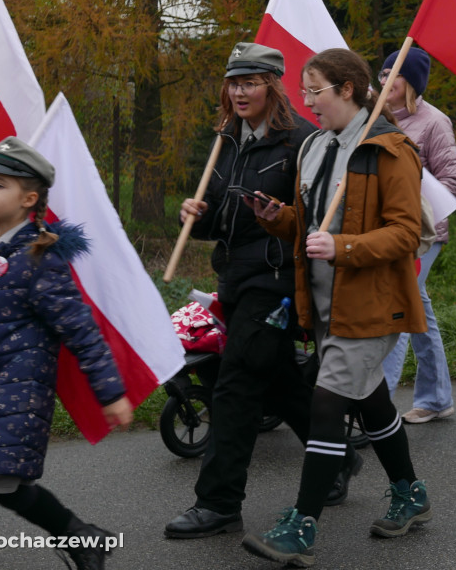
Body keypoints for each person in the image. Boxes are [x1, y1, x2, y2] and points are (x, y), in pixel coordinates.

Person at [242, 48, 431, 567]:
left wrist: (343, 247)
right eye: (304, 93)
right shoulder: (316, 147)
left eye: (314, 92)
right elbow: (312, 223)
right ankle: (410, 492)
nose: (306, 103)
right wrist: (278, 217)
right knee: (370, 403)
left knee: (326, 405)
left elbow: (406, 234)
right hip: (326, 305)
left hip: (372, 306)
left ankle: (302, 525)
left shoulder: (389, 150)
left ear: (347, 89)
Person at [165, 43, 361, 539]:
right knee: (275, 378)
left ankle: (218, 503)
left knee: (235, 388)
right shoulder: (226, 140)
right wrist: (198, 216)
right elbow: (219, 221)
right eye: (233, 83)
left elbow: (318, 219)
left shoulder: (303, 142)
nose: (238, 91)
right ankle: (337, 457)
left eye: (249, 82)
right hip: (234, 279)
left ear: (273, 86)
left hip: (276, 283)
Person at [0, 137, 134, 570]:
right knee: (6, 490)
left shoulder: (39, 259)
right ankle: (82, 538)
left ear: (29, 199)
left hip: (12, 397)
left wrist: (111, 393)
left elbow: (81, 331)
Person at [379, 47, 456, 423]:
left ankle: (377, 405)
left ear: (410, 82)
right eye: (381, 74)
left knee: (396, 306)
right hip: (385, 232)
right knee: (417, 310)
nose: (384, 81)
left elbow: (451, 181)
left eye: (392, 74)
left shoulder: (434, 122)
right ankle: (436, 398)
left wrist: (410, 203)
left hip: (422, 235)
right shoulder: (374, 119)